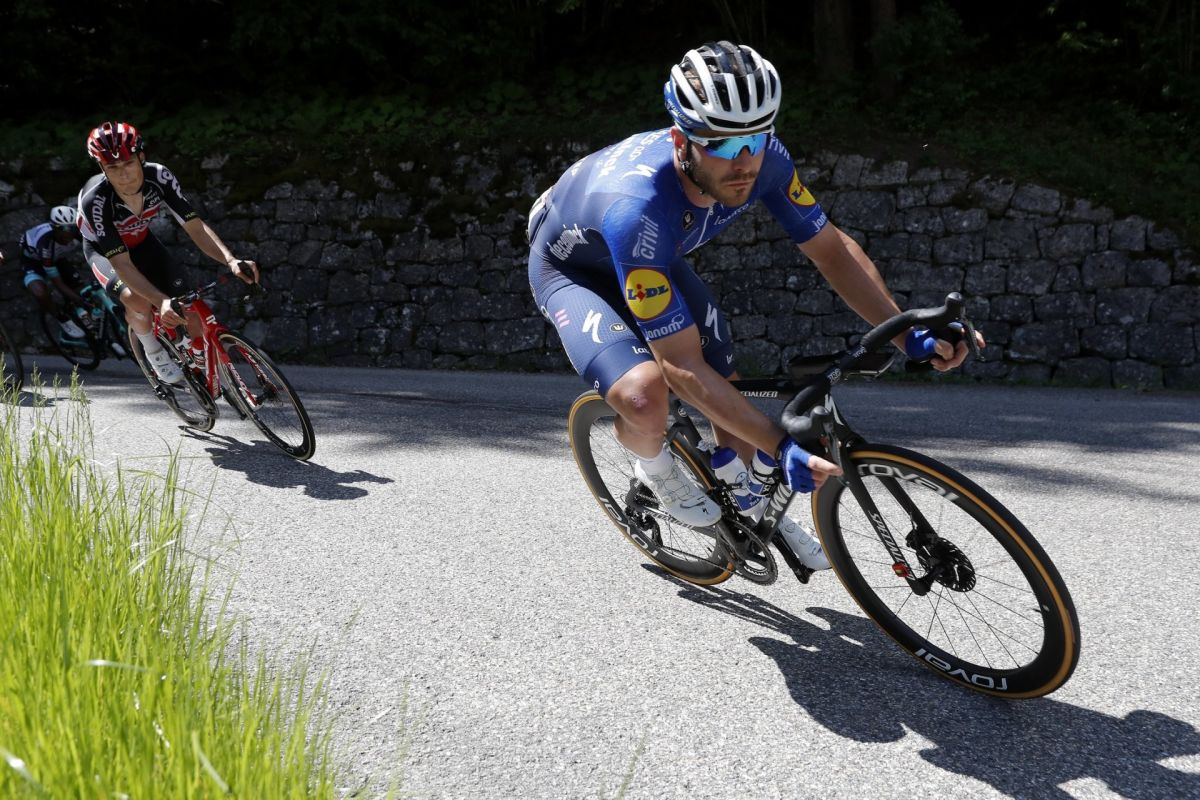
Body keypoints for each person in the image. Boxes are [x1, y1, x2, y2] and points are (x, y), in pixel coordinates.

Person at [526, 41, 982, 571]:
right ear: (682, 142)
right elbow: (680, 366)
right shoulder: (638, 210)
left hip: (651, 260)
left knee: (729, 385)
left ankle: (750, 500)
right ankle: (653, 466)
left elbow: (831, 251)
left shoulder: (768, 162)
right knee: (647, 395)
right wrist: (780, 446)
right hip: (573, 268)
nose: (742, 161)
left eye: (755, 138)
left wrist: (904, 331)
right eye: (721, 143)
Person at [76, 121, 259, 384]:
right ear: (102, 168)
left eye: (128, 163)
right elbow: (122, 264)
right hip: (105, 254)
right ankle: (153, 351)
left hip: (143, 242)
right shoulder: (96, 201)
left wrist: (231, 260)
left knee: (188, 305)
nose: (123, 174)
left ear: (141, 156)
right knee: (138, 300)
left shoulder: (160, 178)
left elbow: (195, 227)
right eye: (112, 168)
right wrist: (160, 300)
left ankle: (197, 361)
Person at [15, 205, 90, 339]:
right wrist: (78, 299)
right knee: (40, 292)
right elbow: (58, 283)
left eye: (72, 228)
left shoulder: (75, 233)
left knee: (80, 288)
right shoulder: (44, 243)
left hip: (57, 258)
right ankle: (61, 318)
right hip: (33, 262)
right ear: (54, 228)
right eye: (64, 229)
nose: (69, 233)